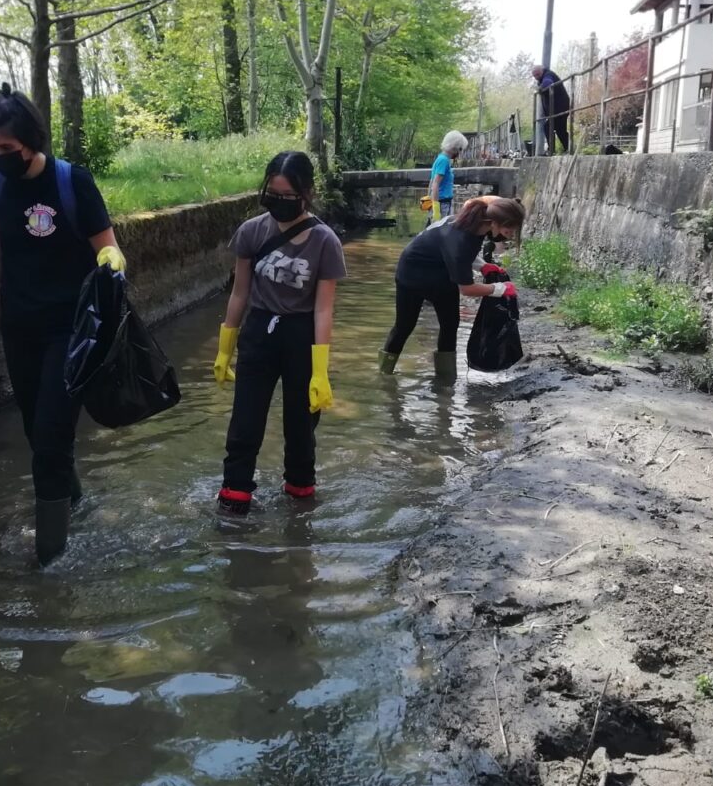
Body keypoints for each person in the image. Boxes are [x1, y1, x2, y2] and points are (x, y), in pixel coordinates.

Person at [0, 84, 126, 566]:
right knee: (36, 433)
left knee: (49, 438)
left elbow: (108, 248)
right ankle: (73, 504)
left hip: (71, 332)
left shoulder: (72, 182)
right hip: (20, 332)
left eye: (6, 148)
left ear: (31, 140)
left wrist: (111, 257)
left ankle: (49, 563)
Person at [213, 151, 347, 518]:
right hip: (258, 332)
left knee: (300, 427)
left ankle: (300, 506)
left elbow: (323, 308)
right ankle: (234, 501)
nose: (279, 202)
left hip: (301, 336)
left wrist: (320, 370)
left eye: (288, 196)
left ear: (306, 193)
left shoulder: (325, 242)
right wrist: (226, 348)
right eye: (272, 193)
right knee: (244, 423)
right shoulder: (252, 232)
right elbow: (239, 292)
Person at [378, 196, 524, 380]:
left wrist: (481, 265)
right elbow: (467, 289)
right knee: (404, 326)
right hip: (411, 275)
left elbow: (459, 255)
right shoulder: (460, 238)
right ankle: (384, 375)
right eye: (508, 230)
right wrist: (500, 289)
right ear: (493, 222)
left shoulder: (475, 225)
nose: (509, 236)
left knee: (450, 325)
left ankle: (446, 382)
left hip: (441, 273)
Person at [428, 131, 467, 221]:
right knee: (440, 232)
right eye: (460, 149)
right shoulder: (444, 161)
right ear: (454, 147)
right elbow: (435, 184)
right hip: (442, 203)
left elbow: (432, 181)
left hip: (443, 202)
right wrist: (436, 209)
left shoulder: (442, 159)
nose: (459, 152)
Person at [532, 65, 571, 155]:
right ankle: (565, 149)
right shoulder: (542, 77)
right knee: (558, 129)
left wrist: (539, 88)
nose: (536, 77)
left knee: (551, 128)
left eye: (537, 75)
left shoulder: (548, 75)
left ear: (542, 71)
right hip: (557, 109)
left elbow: (548, 83)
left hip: (560, 108)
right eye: (534, 76)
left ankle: (554, 150)